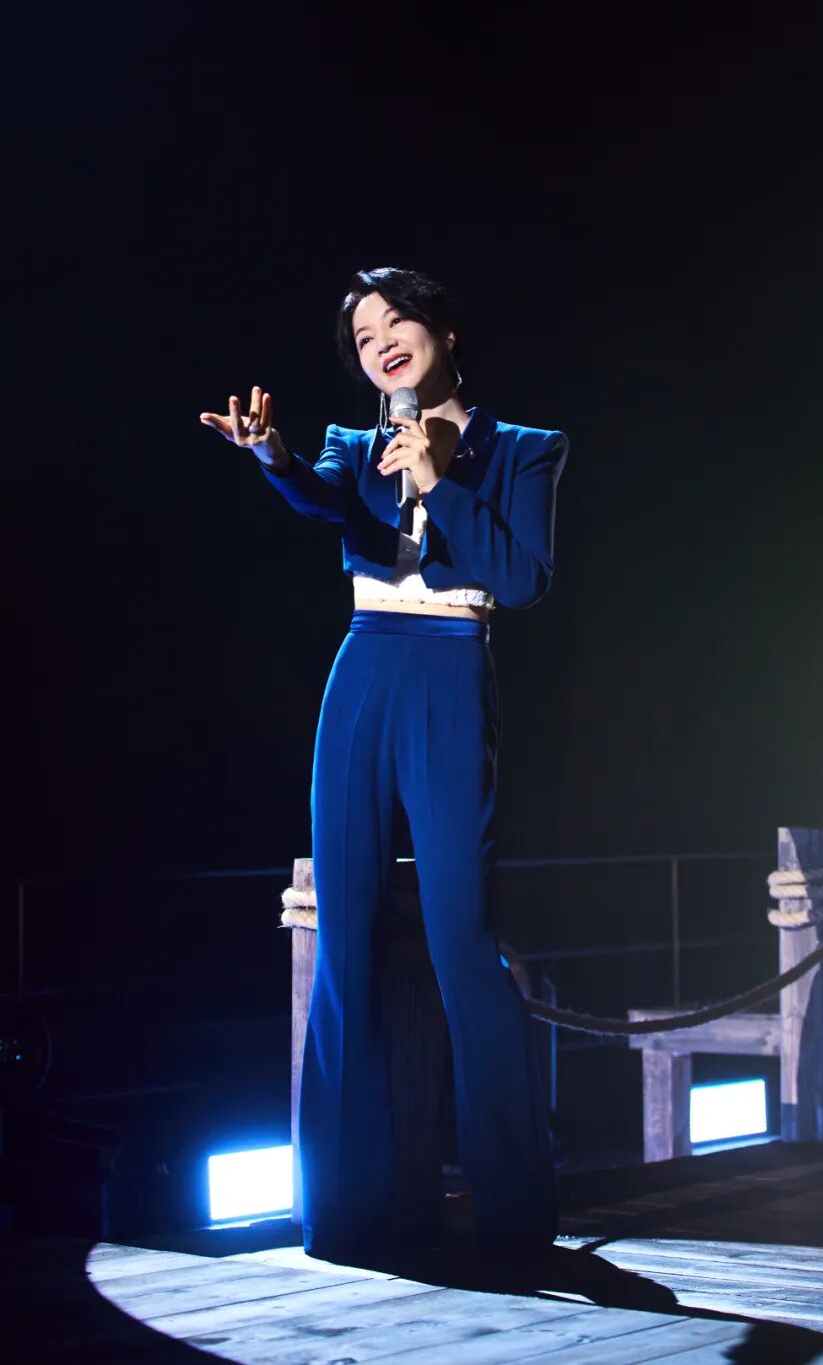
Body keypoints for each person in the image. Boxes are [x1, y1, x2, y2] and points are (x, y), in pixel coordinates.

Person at [198, 267, 569, 1264]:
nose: (382, 344)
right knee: (346, 945)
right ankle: (344, 1211)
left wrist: (441, 481)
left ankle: (515, 1211)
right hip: (363, 672)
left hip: (452, 672)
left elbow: (521, 578)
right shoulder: (352, 444)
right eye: (364, 338)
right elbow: (324, 503)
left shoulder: (524, 448)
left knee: (464, 946)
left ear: (444, 329)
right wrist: (274, 455)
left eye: (397, 321)